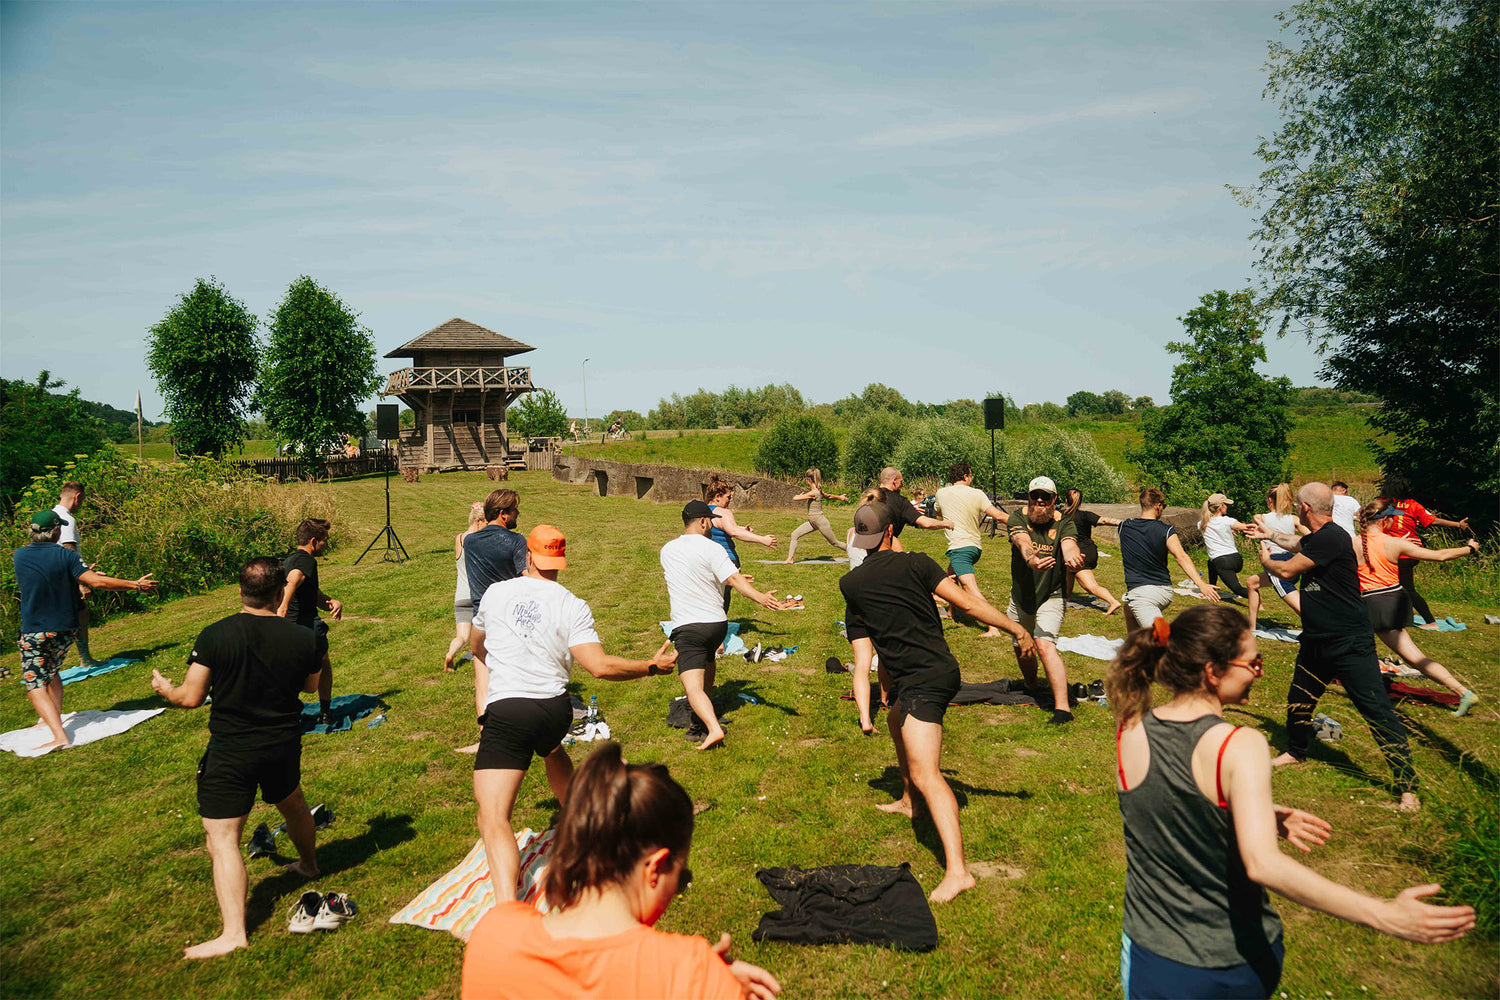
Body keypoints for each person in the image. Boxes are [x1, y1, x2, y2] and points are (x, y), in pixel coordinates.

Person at [1108, 604, 1475, 1000]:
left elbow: (1164, 801)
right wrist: (1385, 915)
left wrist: (1245, 813)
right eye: (1253, 663)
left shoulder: (1130, 726)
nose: (1260, 672)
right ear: (1213, 672)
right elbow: (1263, 865)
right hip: (1227, 964)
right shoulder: (1241, 743)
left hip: (1148, 957)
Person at [461, 743, 781, 1000]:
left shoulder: (492, 935)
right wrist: (698, 978)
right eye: (681, 879)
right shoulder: (692, 976)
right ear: (656, 867)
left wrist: (687, 972)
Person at [842, 501, 1036, 902]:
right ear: (891, 533)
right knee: (896, 721)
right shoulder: (918, 563)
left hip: (924, 682)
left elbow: (867, 649)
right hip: (934, 671)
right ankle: (910, 801)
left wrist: (876, 690)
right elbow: (965, 602)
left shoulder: (852, 585)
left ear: (860, 541)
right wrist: (1015, 627)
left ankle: (958, 871)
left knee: (928, 772)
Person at [472, 525, 679, 899]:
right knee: (551, 748)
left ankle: (506, 908)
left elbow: (476, 644)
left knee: (493, 816)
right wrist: (650, 665)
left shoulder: (495, 593)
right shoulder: (571, 603)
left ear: (529, 557)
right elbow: (598, 666)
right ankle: (587, 822)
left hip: (510, 711)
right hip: (555, 710)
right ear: (559, 561)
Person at [149, 557, 325, 959]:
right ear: (280, 592)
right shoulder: (304, 637)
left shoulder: (215, 635)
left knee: (223, 838)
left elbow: (190, 698)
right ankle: (310, 865)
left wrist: (165, 689)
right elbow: (311, 686)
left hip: (233, 749)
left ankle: (233, 934)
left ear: (241, 591)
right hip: (283, 741)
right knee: (292, 801)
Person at [1246, 483, 1421, 811]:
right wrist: (1268, 533)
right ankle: (1296, 751)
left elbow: (1286, 568)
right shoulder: (1319, 537)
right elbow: (1296, 542)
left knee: (1375, 709)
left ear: (1304, 508)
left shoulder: (1331, 538)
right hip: (1316, 639)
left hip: (1348, 641)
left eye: (1298, 505)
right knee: (1299, 699)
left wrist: (1267, 562)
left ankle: (1407, 785)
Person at [13, 510, 158, 750]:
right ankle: (53, 719)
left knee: (35, 683)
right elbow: (96, 582)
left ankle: (59, 735)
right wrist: (136, 585)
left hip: (35, 630)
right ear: (57, 531)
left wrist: (78, 576)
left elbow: (43, 578)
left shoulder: (20, 556)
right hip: (65, 629)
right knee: (51, 672)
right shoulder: (66, 556)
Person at [662, 501, 792, 750]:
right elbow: (729, 578)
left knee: (692, 685)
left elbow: (693, 575)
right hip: (716, 625)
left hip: (689, 626)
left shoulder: (667, 550)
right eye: (710, 520)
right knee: (708, 662)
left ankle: (710, 728)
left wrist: (737, 580)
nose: (711, 525)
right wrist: (760, 597)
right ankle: (705, 716)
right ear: (702, 522)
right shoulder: (713, 549)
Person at [1354, 500, 1481, 716]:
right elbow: (1440, 556)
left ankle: (1462, 691)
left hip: (1375, 604)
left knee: (1411, 656)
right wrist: (1469, 548)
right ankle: (1462, 691)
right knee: (1408, 655)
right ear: (1386, 520)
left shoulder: (1354, 542)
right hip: (1396, 600)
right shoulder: (1394, 543)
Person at [1006, 476, 1086, 724]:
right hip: (1022, 596)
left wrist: (1073, 558)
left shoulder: (1065, 524)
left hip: (1052, 594)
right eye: (1035, 496)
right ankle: (1031, 683)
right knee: (1022, 646)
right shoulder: (1017, 517)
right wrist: (1032, 560)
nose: (1039, 501)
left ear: (1054, 500)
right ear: (1029, 498)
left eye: (1045, 497)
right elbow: (1022, 541)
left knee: (1044, 643)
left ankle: (1063, 709)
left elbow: (1069, 544)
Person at [1372, 474, 1473, 629]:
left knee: (1404, 589)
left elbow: (1365, 517)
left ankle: (1431, 622)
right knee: (1396, 587)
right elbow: (1433, 520)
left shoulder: (1380, 504)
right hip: (1411, 551)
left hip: (1396, 552)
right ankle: (1400, 618)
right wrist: (1457, 525)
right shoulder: (1413, 505)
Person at [1118, 488, 1219, 632]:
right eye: (1163, 507)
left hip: (1144, 595)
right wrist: (1200, 583)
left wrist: (1201, 585)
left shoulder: (1124, 527)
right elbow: (1181, 556)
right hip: (1162, 590)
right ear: (1158, 506)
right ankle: (1137, 651)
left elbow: (1181, 557)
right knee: (1129, 610)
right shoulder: (1166, 530)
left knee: (1161, 636)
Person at [934, 461, 1012, 638]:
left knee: (970, 589)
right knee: (950, 578)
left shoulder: (941, 493)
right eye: (971, 475)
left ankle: (993, 627)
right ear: (965, 476)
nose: (972, 478)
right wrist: (1023, 524)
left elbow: (937, 512)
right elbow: (998, 515)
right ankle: (951, 613)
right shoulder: (978, 494)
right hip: (974, 547)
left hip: (959, 549)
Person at [277, 518, 342, 727]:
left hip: (293, 624)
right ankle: (325, 712)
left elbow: (312, 593)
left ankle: (287, 713)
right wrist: (283, 608)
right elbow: (294, 580)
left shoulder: (289, 560)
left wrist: (330, 602)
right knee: (322, 665)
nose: (326, 545)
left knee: (290, 670)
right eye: (325, 541)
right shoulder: (305, 560)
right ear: (313, 541)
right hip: (303, 625)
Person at [704, 475, 776, 613]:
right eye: (728, 497)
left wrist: (741, 528)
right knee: (722, 598)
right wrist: (762, 539)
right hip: (727, 560)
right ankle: (719, 628)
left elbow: (719, 528)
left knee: (709, 595)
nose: (730, 501)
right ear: (718, 496)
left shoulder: (703, 511)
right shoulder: (724, 512)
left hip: (708, 560)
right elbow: (733, 531)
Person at [51, 481, 101, 668]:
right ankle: (83, 659)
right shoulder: (67, 519)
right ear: (77, 497)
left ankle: (83, 658)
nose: (82, 504)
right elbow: (69, 551)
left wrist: (86, 567)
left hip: (52, 575)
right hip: (66, 578)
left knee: (78, 615)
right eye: (83, 500)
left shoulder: (50, 516)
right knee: (73, 618)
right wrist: (83, 581)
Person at [1246, 484, 1307, 631]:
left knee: (1292, 599)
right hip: (1292, 561)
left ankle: (1317, 626)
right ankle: (1251, 626)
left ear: (1269, 500)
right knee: (1251, 582)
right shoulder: (1293, 519)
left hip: (1276, 564)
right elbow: (1311, 535)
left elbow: (1257, 534)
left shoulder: (1259, 518)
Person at [1061, 487, 1122, 613]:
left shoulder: (1061, 516)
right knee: (1068, 571)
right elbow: (1104, 520)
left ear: (1066, 500)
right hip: (1089, 550)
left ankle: (1112, 601)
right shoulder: (1085, 515)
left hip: (1079, 554)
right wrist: (1123, 523)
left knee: (1090, 586)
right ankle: (1066, 598)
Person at [465, 489, 528, 603]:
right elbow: (529, 578)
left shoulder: (469, 542)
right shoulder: (516, 541)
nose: (518, 513)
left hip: (481, 615)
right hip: (507, 612)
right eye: (515, 509)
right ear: (503, 514)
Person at [446, 502, 488, 672]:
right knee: (486, 632)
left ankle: (450, 654)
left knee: (462, 636)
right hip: (479, 596)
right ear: (478, 521)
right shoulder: (481, 543)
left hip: (461, 596)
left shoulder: (460, 539)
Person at [876, 467, 952, 552]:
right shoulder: (900, 501)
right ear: (894, 481)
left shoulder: (869, 495)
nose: (901, 486)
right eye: (901, 482)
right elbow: (926, 523)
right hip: (883, 547)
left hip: (863, 545)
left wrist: (909, 513)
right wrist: (945, 523)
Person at [783, 468, 848, 563]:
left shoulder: (814, 493)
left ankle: (857, 552)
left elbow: (795, 498)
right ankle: (790, 558)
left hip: (820, 522)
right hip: (813, 522)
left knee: (835, 543)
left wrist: (800, 495)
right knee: (794, 535)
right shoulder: (818, 491)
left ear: (808, 480)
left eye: (805, 479)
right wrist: (840, 497)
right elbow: (828, 496)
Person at [1199, 493, 1250, 599]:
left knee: (1237, 589)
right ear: (1221, 507)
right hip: (1236, 560)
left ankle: (1257, 598)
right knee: (1210, 562)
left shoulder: (1201, 524)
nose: (1227, 507)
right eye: (1225, 504)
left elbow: (1214, 527)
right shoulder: (1228, 521)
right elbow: (1245, 527)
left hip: (1223, 562)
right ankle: (1211, 589)